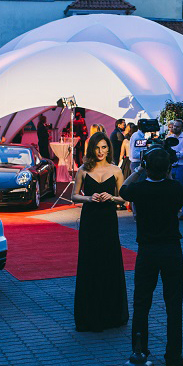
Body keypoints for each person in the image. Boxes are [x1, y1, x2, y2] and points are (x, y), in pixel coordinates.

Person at [119, 147, 183, 366]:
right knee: (174, 302)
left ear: (146, 167)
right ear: (169, 168)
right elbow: (177, 200)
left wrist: (139, 170)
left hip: (147, 250)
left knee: (142, 302)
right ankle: (173, 354)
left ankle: (139, 350)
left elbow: (123, 190)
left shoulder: (139, 189)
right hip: (171, 248)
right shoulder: (175, 188)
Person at [71, 132, 128, 332]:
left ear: (109, 149)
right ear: (92, 149)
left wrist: (111, 197)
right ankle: (89, 315)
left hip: (108, 220)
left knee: (109, 260)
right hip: (90, 221)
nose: (101, 151)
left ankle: (111, 314)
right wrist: (89, 198)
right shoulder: (83, 170)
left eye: (104, 147)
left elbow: (124, 199)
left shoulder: (117, 171)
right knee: (90, 262)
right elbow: (74, 196)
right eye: (97, 148)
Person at [169, 119, 183, 221]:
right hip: (172, 165)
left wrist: (174, 154)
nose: (175, 128)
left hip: (182, 166)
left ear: (181, 128)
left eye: (177, 126)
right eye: (174, 126)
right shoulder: (170, 138)